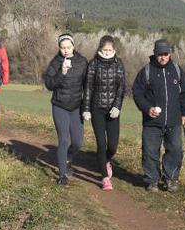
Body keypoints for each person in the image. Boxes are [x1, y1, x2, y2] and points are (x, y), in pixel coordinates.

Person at [132, 38, 185, 193]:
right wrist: (147, 108)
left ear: (170, 53)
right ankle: (152, 181)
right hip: (152, 122)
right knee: (150, 152)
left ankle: (171, 179)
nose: (163, 57)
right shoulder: (146, 71)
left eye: (165, 54)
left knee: (175, 151)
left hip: (174, 121)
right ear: (154, 53)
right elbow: (137, 93)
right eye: (159, 54)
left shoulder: (177, 70)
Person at [44, 33, 88, 186]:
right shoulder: (55, 63)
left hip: (76, 107)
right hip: (60, 106)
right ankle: (62, 175)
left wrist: (87, 107)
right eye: (62, 48)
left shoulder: (82, 62)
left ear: (73, 47)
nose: (66, 51)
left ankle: (68, 158)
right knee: (63, 139)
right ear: (59, 48)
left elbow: (87, 86)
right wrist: (61, 73)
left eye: (68, 47)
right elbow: (49, 84)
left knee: (77, 142)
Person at [83, 35, 126, 191]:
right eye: (104, 50)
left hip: (113, 112)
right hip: (97, 110)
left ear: (114, 49)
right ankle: (104, 178)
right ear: (100, 49)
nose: (107, 52)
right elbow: (88, 88)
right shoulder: (93, 64)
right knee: (101, 144)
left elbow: (122, 88)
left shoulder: (119, 64)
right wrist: (86, 109)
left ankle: (107, 160)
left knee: (112, 146)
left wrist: (117, 106)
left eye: (110, 50)